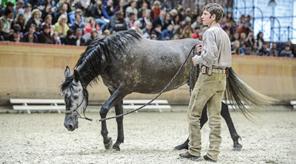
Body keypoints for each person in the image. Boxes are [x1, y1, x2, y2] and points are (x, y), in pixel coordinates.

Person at [179, 3, 231, 162]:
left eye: (205, 14)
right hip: (221, 77)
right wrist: (205, 51)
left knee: (193, 113)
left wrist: (198, 59)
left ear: (213, 17)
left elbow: (210, 57)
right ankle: (213, 153)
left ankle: (194, 150)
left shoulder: (209, 32)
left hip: (208, 76)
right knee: (215, 117)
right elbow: (218, 55)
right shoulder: (224, 34)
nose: (202, 16)